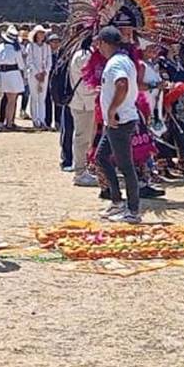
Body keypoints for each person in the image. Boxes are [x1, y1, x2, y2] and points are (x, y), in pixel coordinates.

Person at [91, 26, 147, 223]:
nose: (97, 47)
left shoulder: (115, 63)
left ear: (106, 43)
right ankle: (117, 201)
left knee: (125, 165)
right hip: (117, 120)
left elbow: (121, 84)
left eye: (99, 43)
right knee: (101, 158)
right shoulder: (123, 60)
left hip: (120, 120)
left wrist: (112, 109)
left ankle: (133, 210)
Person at [67, 36, 99, 186]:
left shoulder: (84, 54)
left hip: (85, 101)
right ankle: (80, 172)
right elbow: (87, 81)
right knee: (82, 137)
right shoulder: (85, 56)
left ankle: (81, 167)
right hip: (83, 102)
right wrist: (98, 89)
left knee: (85, 137)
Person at [0, 25, 25, 129]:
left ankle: (9, 121)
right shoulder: (16, 49)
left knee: (8, 99)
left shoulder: (0, 47)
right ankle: (9, 122)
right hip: (13, 74)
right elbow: (21, 64)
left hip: (3, 74)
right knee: (12, 100)